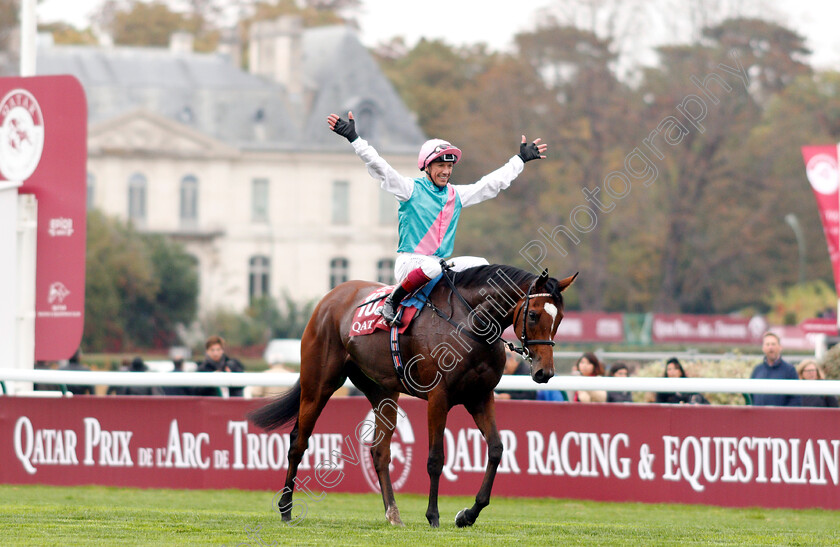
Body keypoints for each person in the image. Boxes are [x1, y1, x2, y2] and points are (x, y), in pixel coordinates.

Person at [327, 111, 547, 326]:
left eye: (449, 166)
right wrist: (354, 139)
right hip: (410, 263)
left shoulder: (456, 195)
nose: (446, 171)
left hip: (438, 264)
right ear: (428, 167)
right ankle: (393, 300)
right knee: (432, 268)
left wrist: (520, 160)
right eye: (441, 166)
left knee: (481, 264)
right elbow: (379, 166)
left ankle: (473, 318)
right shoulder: (409, 189)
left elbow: (490, 185)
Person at [750, 332, 801, 406]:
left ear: (780, 347)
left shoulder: (790, 370)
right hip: (759, 416)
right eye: (767, 344)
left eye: (773, 344)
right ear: (763, 348)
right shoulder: (757, 370)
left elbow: (796, 398)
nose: (770, 347)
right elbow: (751, 395)